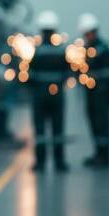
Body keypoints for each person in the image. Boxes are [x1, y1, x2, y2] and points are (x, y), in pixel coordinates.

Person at [78, 13, 109, 169]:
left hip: (102, 94)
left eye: (88, 33)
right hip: (91, 93)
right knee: (94, 124)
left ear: (94, 32)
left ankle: (104, 156)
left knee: (102, 124)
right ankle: (98, 153)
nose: (87, 36)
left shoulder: (103, 49)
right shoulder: (86, 50)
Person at [27, 10, 70, 172]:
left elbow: (28, 75)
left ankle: (40, 163)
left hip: (39, 95)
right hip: (57, 94)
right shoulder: (61, 51)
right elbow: (68, 72)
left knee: (40, 130)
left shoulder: (36, 51)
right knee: (58, 128)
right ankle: (59, 163)